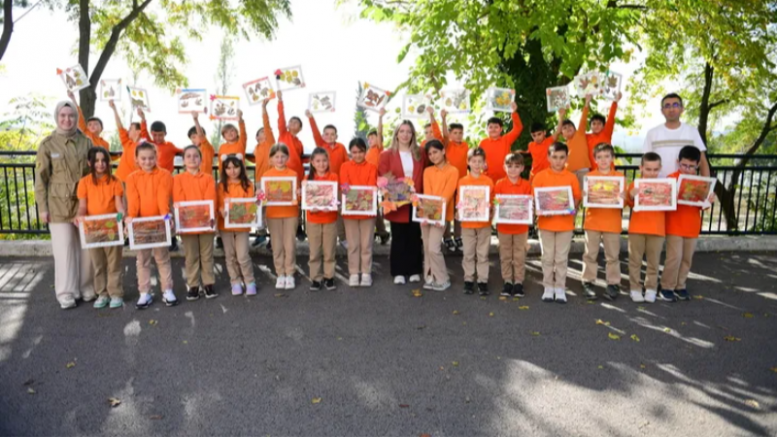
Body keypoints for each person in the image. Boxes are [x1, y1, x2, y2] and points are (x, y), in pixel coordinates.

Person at [35, 100, 94, 309]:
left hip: (83, 203)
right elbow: (41, 179)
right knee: (64, 249)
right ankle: (66, 292)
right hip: (58, 205)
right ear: (57, 117)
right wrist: (43, 208)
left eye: (71, 116)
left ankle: (86, 286)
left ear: (76, 118)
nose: (67, 119)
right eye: (63, 116)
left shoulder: (86, 142)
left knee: (87, 247)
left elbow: (93, 172)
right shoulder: (48, 144)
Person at [125, 143, 176, 308]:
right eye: (143, 158)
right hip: (141, 226)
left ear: (156, 157)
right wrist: (130, 219)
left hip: (159, 224)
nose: (147, 161)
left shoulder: (165, 174)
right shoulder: (132, 178)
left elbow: (164, 200)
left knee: (162, 258)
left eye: (151, 158)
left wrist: (167, 217)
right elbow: (133, 202)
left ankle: (167, 290)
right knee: (142, 260)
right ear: (137, 159)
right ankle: (144, 293)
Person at [660, 146, 714, 301]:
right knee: (674, 257)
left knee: (686, 258)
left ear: (697, 165)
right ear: (678, 163)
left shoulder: (701, 183)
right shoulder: (671, 178)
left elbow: (703, 207)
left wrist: (708, 201)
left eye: (691, 166)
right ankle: (666, 287)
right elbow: (664, 201)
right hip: (674, 225)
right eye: (684, 165)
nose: (687, 169)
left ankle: (680, 286)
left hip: (692, 225)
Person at [75, 147, 125, 309]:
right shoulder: (84, 182)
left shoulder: (115, 181)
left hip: (112, 228)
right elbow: (82, 206)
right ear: (90, 163)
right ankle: (102, 294)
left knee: (113, 263)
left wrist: (123, 215)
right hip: (93, 229)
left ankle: (115, 293)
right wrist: (80, 216)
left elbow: (119, 205)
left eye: (104, 160)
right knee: (98, 264)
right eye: (96, 161)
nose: (100, 164)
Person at [378, 120, 427, 285]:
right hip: (397, 201)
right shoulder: (386, 154)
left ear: (413, 134)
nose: (405, 134)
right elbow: (384, 177)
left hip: (416, 201)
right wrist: (400, 192)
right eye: (402, 131)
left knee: (414, 236)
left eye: (409, 131)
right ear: (396, 134)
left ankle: (414, 270)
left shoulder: (420, 152)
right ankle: (398, 271)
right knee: (398, 236)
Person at [532, 142, 581, 303]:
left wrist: (572, 207)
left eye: (561, 158)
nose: (558, 161)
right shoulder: (540, 177)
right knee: (547, 257)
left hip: (565, 225)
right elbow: (535, 200)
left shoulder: (571, 177)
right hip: (546, 225)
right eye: (554, 157)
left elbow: (576, 199)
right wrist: (537, 209)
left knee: (561, 258)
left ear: (566, 158)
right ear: (548, 158)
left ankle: (560, 287)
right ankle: (548, 287)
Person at [173, 145, 218, 301]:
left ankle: (208, 283)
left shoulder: (208, 178)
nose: (192, 159)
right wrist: (188, 217)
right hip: (187, 225)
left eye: (195, 156)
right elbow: (179, 200)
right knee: (191, 256)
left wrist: (203, 215)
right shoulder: (177, 179)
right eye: (188, 156)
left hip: (206, 223)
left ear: (200, 159)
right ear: (183, 160)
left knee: (207, 255)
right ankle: (193, 285)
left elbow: (210, 199)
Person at [581, 143, 624, 301]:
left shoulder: (619, 178)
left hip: (612, 222)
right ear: (595, 159)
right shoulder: (589, 177)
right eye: (599, 157)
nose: (603, 160)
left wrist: (623, 198)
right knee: (590, 255)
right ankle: (588, 281)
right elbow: (583, 201)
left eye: (607, 156)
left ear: (613, 158)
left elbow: (623, 203)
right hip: (593, 221)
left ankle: (613, 283)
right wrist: (584, 195)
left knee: (612, 256)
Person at [625, 152, 666, 303]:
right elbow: (629, 203)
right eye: (648, 169)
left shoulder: (665, 186)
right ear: (641, 168)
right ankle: (635, 288)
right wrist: (631, 195)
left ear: (660, 168)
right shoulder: (634, 184)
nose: (652, 173)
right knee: (635, 261)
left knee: (653, 262)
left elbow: (671, 206)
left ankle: (651, 288)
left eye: (655, 170)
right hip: (637, 228)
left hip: (657, 229)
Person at [305, 110, 349, 245]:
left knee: (340, 211)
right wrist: (311, 117)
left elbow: (346, 165)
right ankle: (323, 238)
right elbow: (315, 132)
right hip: (322, 185)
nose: (329, 136)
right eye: (326, 134)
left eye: (332, 134)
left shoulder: (341, 147)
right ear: (323, 136)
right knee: (323, 209)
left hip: (339, 183)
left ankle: (342, 237)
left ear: (336, 136)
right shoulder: (321, 145)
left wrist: (346, 183)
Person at [421, 139, 459, 291]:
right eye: (430, 154)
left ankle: (443, 279)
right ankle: (430, 276)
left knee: (434, 248)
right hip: (427, 213)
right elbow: (427, 193)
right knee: (426, 247)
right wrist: (426, 215)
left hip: (441, 215)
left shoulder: (453, 170)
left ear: (443, 151)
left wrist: (437, 216)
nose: (433, 156)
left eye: (435, 152)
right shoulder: (427, 171)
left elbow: (447, 195)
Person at [339, 137, 378, 287]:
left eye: (360, 152)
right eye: (354, 152)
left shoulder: (372, 167)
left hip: (367, 212)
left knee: (366, 244)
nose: (357, 155)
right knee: (353, 244)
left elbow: (371, 186)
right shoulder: (345, 166)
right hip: (350, 212)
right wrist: (351, 193)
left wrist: (359, 196)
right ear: (350, 152)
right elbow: (345, 185)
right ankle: (354, 272)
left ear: (365, 151)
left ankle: (366, 272)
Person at [260, 144, 299, 290]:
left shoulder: (293, 174)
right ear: (271, 159)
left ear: (287, 158)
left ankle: (290, 274)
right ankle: (280, 274)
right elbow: (263, 199)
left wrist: (299, 194)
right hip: (273, 214)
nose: (280, 159)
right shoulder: (266, 176)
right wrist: (260, 197)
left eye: (283, 156)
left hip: (291, 214)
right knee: (277, 246)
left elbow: (296, 195)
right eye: (276, 156)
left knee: (289, 245)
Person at [218, 155, 258, 296]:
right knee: (230, 256)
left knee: (242, 256)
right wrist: (221, 209)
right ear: (224, 169)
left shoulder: (248, 184)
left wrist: (249, 213)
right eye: (228, 168)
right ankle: (235, 281)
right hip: (225, 226)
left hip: (242, 226)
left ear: (241, 167)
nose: (232, 171)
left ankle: (249, 281)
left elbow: (250, 204)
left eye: (235, 167)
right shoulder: (221, 186)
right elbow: (220, 204)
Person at [643, 93, 710, 178]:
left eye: (675, 105)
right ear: (662, 111)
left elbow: (703, 161)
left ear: (682, 109)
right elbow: (645, 162)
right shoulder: (652, 133)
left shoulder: (692, 132)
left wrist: (707, 187)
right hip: (659, 186)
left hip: (685, 187)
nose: (671, 109)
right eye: (667, 106)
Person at [458, 147, 495, 296]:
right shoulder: (462, 181)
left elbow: (493, 200)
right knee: (468, 253)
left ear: (484, 163)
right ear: (468, 162)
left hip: (484, 224)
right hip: (467, 224)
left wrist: (491, 208)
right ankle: (468, 279)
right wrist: (459, 209)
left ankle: (482, 281)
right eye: (474, 161)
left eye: (480, 161)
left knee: (483, 254)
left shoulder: (488, 181)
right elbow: (460, 201)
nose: (477, 164)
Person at [494, 153, 532, 298]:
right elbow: (495, 203)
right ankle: (507, 281)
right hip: (503, 227)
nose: (513, 169)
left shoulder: (527, 185)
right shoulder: (499, 184)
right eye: (509, 166)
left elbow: (529, 205)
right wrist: (498, 203)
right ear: (504, 167)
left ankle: (519, 282)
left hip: (521, 228)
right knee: (505, 255)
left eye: (517, 166)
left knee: (519, 255)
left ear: (522, 168)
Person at [304, 148, 339, 291]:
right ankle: (316, 278)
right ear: (312, 162)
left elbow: (335, 196)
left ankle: (329, 277)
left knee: (329, 250)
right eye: (317, 161)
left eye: (324, 160)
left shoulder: (333, 177)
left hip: (330, 218)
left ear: (328, 161)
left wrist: (329, 204)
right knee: (314, 251)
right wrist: (307, 202)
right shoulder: (307, 179)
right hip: (313, 219)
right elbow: (306, 199)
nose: (321, 164)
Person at [276, 90, 307, 241]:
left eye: (297, 122)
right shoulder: (283, 134)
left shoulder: (300, 143)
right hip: (282, 174)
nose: (293, 123)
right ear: (287, 125)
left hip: (297, 175)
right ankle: (277, 234)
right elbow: (280, 118)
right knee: (281, 200)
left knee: (298, 201)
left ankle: (299, 227)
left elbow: (301, 159)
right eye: (291, 121)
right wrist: (280, 101)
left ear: (300, 128)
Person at [439, 109, 469, 252]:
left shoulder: (466, 145)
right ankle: (446, 237)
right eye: (455, 133)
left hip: (462, 183)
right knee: (447, 210)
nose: (458, 135)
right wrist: (444, 119)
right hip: (448, 183)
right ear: (450, 134)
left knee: (459, 209)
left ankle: (458, 236)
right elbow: (444, 135)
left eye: (460, 133)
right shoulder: (447, 144)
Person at [248, 98, 275, 247]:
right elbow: (253, 160)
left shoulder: (270, 144)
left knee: (271, 208)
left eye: (266, 132)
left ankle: (273, 237)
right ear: (257, 137)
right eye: (261, 132)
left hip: (271, 181)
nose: (265, 133)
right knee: (259, 208)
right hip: (259, 182)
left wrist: (263, 109)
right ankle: (261, 234)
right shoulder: (256, 149)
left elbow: (267, 125)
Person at [478, 101, 522, 182]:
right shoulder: (483, 143)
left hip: (505, 179)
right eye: (490, 127)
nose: (493, 129)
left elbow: (518, 128)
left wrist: (514, 112)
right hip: (487, 179)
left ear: (501, 129)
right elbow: (478, 158)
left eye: (496, 127)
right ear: (487, 129)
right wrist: (481, 165)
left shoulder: (506, 139)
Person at [108, 101, 148, 184]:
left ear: (138, 132)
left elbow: (144, 131)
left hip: (134, 182)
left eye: (130, 129)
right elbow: (120, 127)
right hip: (119, 180)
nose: (128, 130)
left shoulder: (143, 145)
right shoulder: (127, 143)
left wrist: (143, 118)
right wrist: (114, 109)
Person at [366, 108, 390, 245]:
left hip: (375, 184)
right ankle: (381, 231)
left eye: (372, 137)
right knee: (371, 208)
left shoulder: (379, 148)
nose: (370, 140)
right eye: (368, 138)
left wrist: (380, 117)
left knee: (373, 208)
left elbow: (380, 131)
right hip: (366, 183)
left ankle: (382, 232)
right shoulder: (368, 151)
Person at [560, 94, 593, 188]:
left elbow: (583, 119)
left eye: (570, 126)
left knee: (584, 194)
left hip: (583, 170)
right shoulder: (563, 146)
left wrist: (587, 102)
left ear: (575, 129)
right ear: (562, 134)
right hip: (569, 172)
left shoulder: (580, 135)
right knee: (572, 194)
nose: (568, 128)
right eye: (564, 128)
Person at [520, 115, 563, 181]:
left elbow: (558, 131)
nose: (537, 137)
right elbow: (527, 152)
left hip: (549, 175)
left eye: (539, 134)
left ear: (544, 132)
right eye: (534, 135)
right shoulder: (531, 145)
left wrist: (561, 115)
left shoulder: (549, 141)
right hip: (534, 175)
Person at [586, 93, 621, 170]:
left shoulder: (606, 133)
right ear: (590, 126)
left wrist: (615, 102)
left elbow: (611, 116)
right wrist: (587, 103)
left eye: (599, 123)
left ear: (603, 126)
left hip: (609, 171)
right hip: (593, 172)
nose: (596, 126)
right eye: (594, 124)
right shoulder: (586, 137)